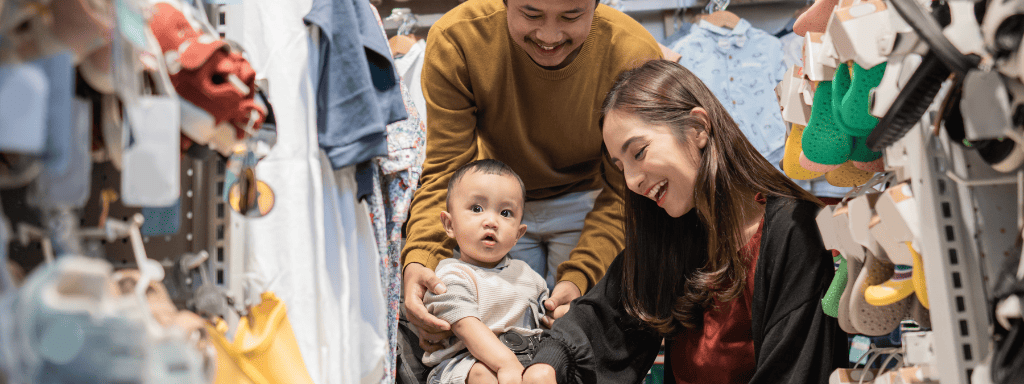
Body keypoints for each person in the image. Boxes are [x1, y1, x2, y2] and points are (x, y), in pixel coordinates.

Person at [522, 60, 848, 383]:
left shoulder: (795, 229)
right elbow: (600, 317)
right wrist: (546, 365)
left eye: (639, 152)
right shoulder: (673, 233)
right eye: (621, 167)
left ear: (698, 129)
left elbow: (797, 369)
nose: (633, 181)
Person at [402, 0, 662, 354]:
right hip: (496, 203)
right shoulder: (458, 38)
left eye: (571, 16)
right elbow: (447, 169)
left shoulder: (631, 53)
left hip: (590, 203)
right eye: (531, 14)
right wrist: (421, 256)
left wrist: (580, 276)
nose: (549, 36)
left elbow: (622, 193)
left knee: (578, 340)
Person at [422, 159, 547, 384]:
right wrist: (505, 363)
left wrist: (558, 316)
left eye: (505, 213)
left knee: (545, 373)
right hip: (464, 363)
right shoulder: (451, 275)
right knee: (483, 374)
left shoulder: (528, 275)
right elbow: (466, 325)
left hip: (527, 358)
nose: (492, 221)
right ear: (449, 224)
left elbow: (544, 317)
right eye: (477, 209)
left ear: (518, 234)